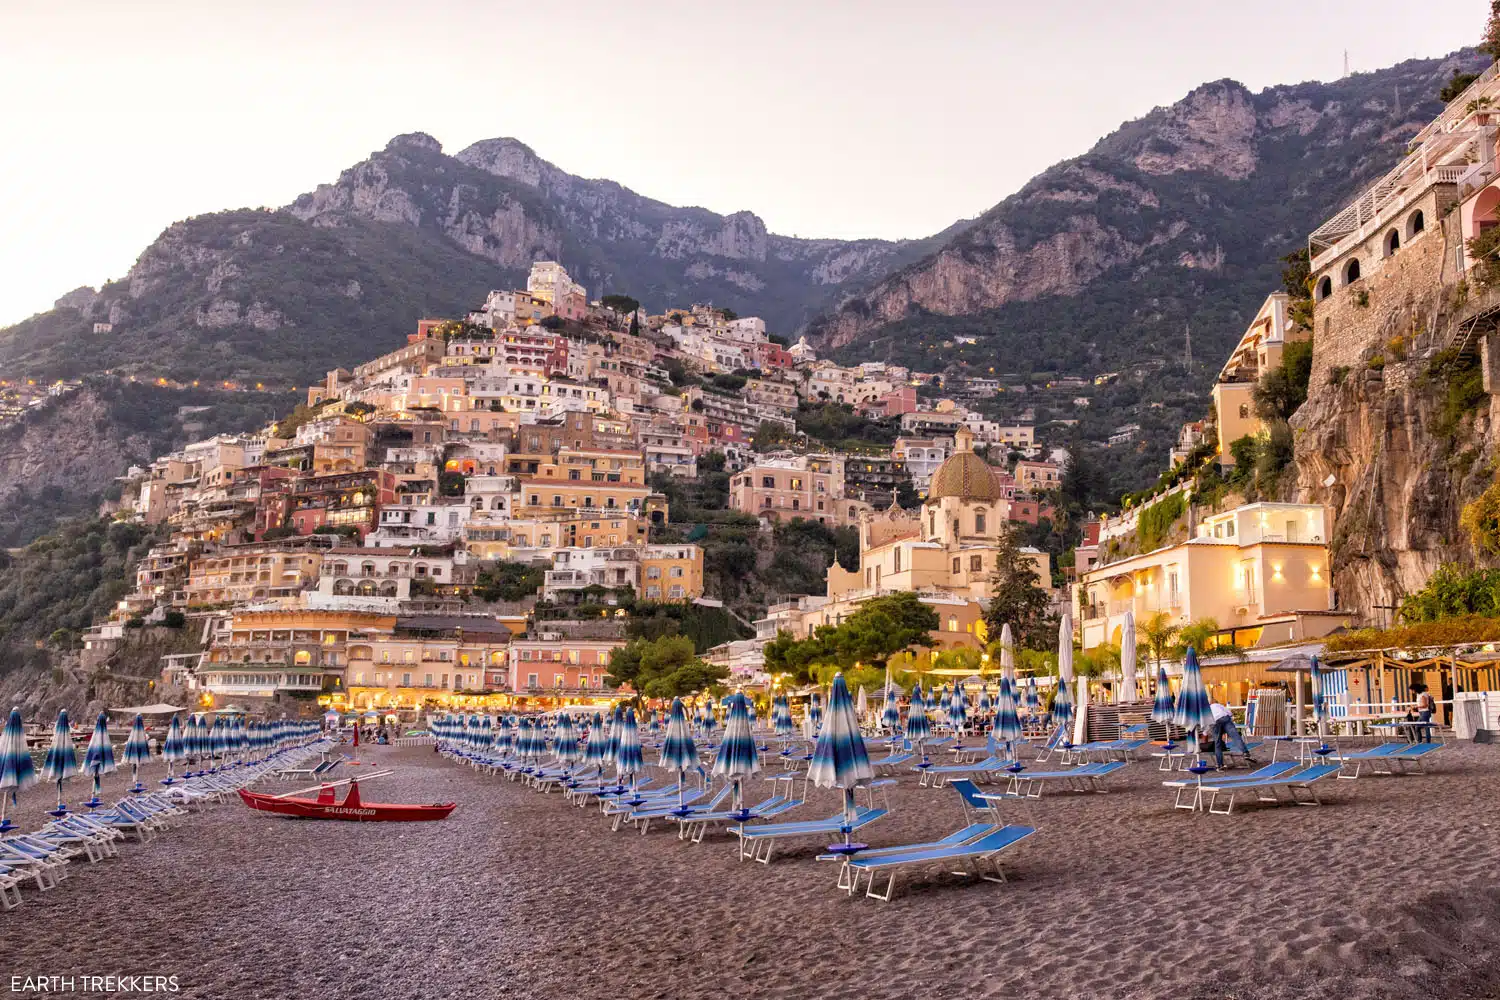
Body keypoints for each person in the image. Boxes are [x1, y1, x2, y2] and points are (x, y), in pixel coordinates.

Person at [1208, 700, 1254, 768]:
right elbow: (1230, 713)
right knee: (1235, 736)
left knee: (1217, 743)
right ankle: (1245, 752)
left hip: (1214, 721)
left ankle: (1220, 764)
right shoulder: (1219, 705)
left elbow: (1207, 722)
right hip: (1224, 718)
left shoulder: (1207, 709)